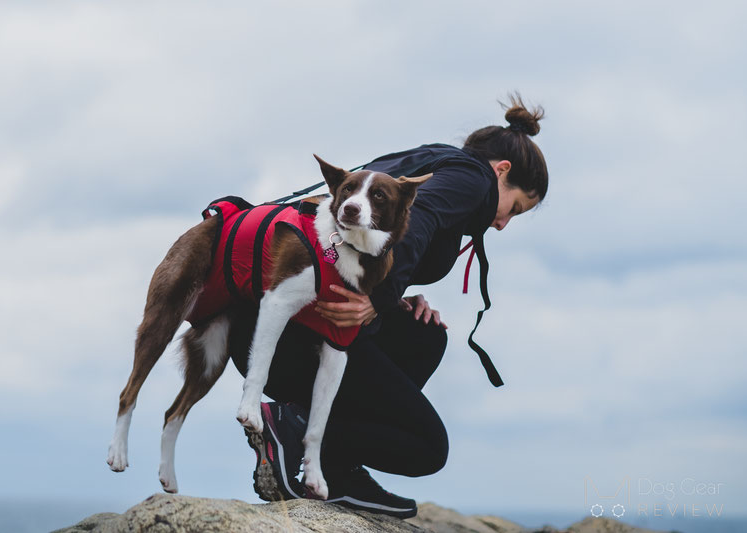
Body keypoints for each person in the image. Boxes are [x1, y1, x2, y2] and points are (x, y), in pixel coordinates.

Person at [227, 94, 549, 518]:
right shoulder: (474, 179)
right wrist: (374, 301)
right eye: (516, 207)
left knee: (425, 337)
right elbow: (422, 221)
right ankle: (298, 434)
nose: (503, 222)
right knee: (427, 448)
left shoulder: (428, 160)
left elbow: (369, 242)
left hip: (263, 320)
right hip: (292, 329)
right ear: (501, 171)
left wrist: (392, 299)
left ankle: (327, 463)